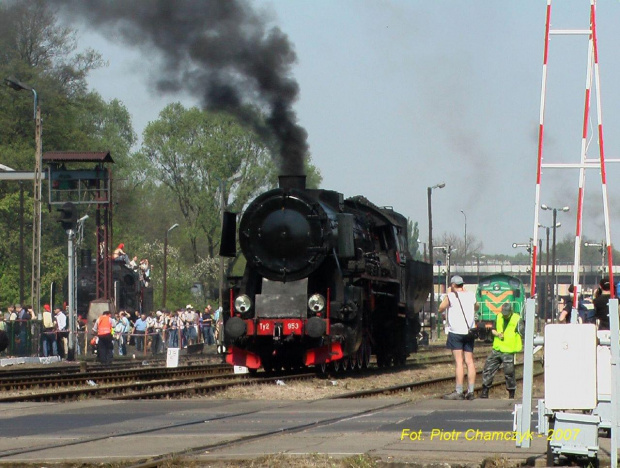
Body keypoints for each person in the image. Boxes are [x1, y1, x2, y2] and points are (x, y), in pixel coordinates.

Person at [438, 275, 479, 400]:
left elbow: (440, 308)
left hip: (456, 332)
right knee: (470, 361)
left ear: (453, 285)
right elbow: (476, 307)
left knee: (459, 362)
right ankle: (471, 391)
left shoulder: (451, 296)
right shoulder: (471, 295)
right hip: (469, 332)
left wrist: (448, 294)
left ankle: (459, 391)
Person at [480, 302, 523, 399]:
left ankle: (511, 393)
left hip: (509, 349)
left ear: (511, 312)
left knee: (509, 373)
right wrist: (497, 334)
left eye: (506, 314)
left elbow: (522, 332)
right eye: (503, 313)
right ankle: (484, 392)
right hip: (497, 348)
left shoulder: (517, 319)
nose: (505, 315)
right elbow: (493, 329)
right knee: (488, 369)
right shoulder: (499, 317)